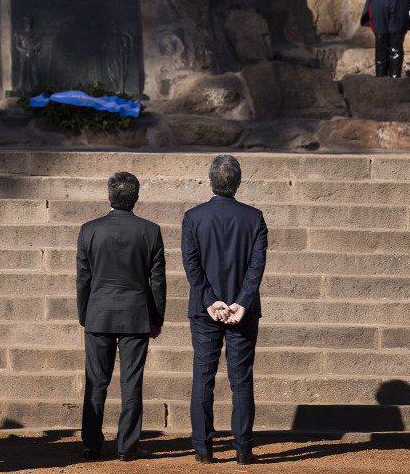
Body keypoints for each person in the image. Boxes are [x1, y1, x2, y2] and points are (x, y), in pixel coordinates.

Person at [181, 154, 268, 465]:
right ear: (239, 183)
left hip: (206, 310)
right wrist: (242, 302)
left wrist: (209, 300)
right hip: (242, 310)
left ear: (209, 182)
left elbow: (191, 265)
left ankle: (203, 450)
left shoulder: (193, 217)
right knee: (241, 379)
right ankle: (243, 450)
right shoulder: (254, 217)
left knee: (203, 378)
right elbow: (257, 266)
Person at [76, 171, 166, 462]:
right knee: (131, 382)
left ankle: (92, 443)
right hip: (135, 314)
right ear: (136, 197)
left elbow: (83, 279)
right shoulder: (150, 230)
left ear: (109, 196)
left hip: (99, 313)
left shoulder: (89, 230)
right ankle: (128, 446)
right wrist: (157, 318)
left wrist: (84, 315)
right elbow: (158, 280)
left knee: (96, 381)